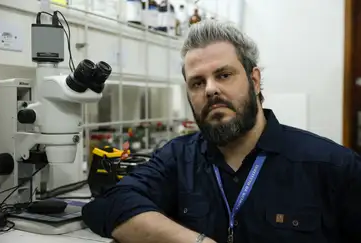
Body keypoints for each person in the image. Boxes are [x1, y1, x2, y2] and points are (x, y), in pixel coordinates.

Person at [82, 20, 361, 243]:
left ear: (254, 80)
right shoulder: (177, 159)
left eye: (224, 75)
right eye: (197, 83)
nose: (211, 89)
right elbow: (108, 205)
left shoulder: (332, 166)